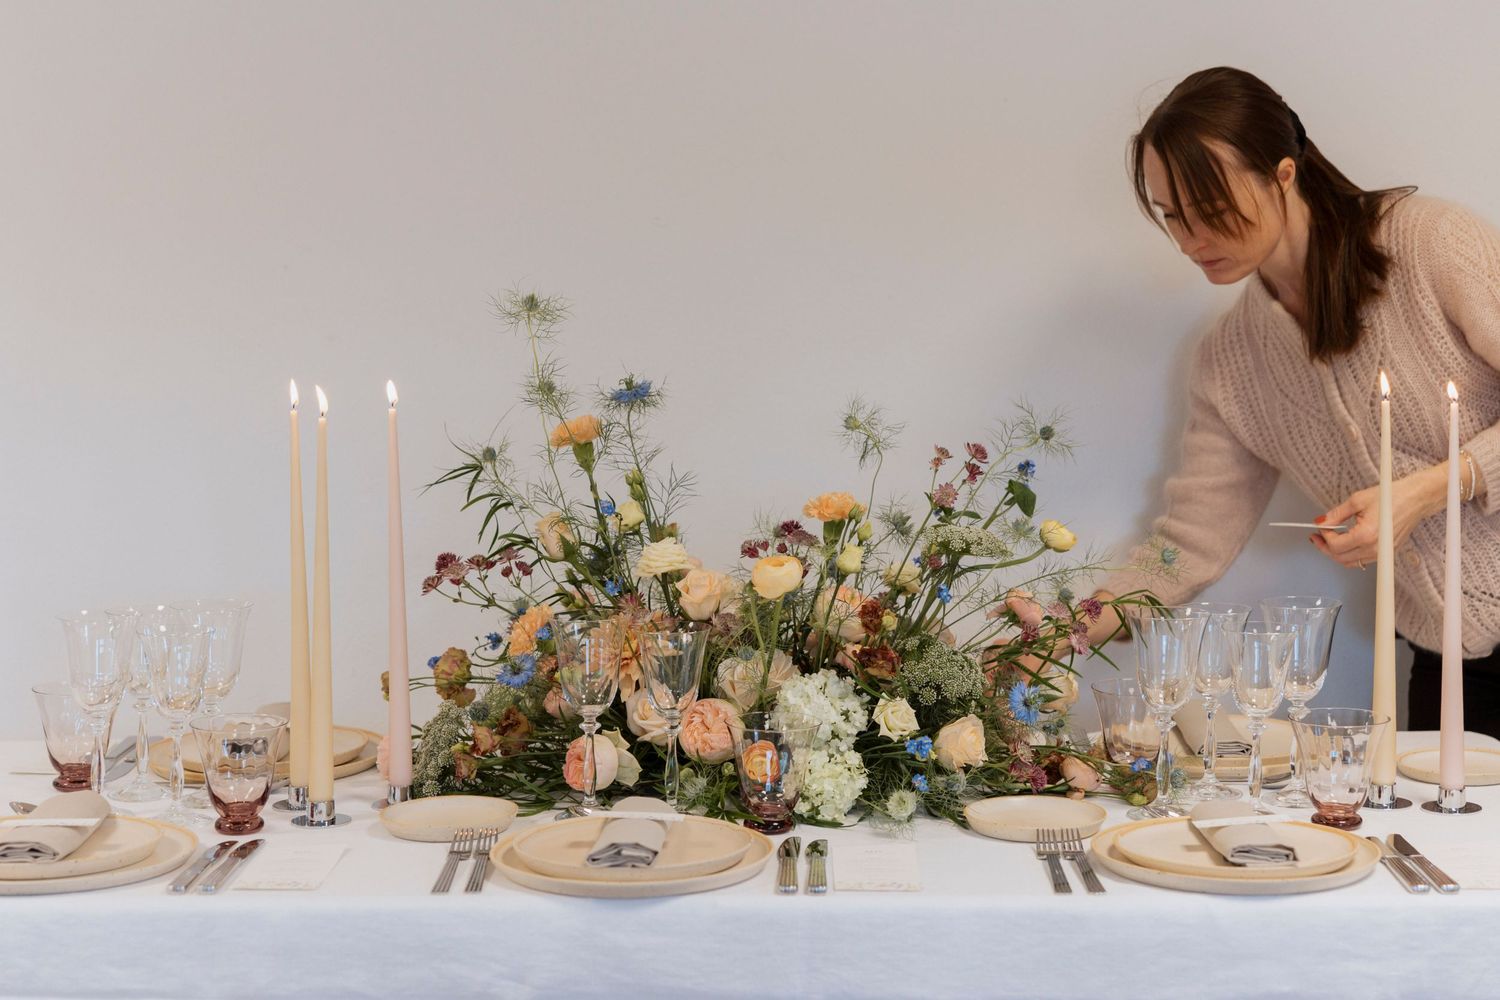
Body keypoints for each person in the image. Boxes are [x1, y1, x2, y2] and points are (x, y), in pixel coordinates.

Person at [1089, 66, 1500, 737]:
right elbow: (1188, 545)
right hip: (1447, 656)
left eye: (1211, 210)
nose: (1191, 242)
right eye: (1174, 218)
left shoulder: (1431, 245)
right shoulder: (1230, 362)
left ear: (1283, 174)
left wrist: (1428, 490)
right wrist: (1069, 629)